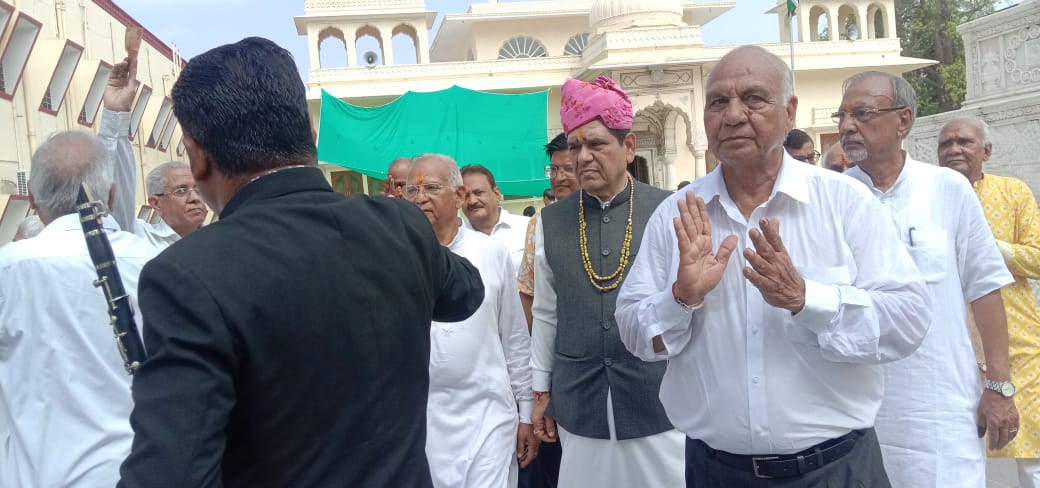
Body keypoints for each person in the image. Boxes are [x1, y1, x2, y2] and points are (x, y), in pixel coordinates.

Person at [117, 37, 485, 488]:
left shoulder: (187, 274)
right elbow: (467, 292)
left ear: (197, 156)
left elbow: (171, 471)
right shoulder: (398, 225)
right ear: (310, 134)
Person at [615, 46, 933, 487]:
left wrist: (807, 299)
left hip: (835, 469)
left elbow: (909, 320)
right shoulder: (679, 214)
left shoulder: (844, 201)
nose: (733, 115)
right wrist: (680, 298)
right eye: (718, 102)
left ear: (789, 112)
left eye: (753, 98)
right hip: (716, 472)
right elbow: (634, 334)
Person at [840, 71, 1017, 488]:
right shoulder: (833, 196)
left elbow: (985, 289)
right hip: (856, 411)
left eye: (862, 113)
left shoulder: (947, 189)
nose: (847, 126)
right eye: (842, 115)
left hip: (942, 409)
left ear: (903, 120)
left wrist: (999, 387)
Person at [529, 76, 683, 487]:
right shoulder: (550, 221)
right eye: (575, 146)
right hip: (580, 400)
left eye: (596, 144)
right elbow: (546, 313)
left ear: (628, 147)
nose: (583, 157)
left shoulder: (668, 208)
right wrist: (540, 392)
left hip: (657, 397)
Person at [0, 130, 158, 487]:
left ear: (32, 199)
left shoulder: (7, 270)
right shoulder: (159, 262)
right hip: (146, 468)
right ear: (112, 196)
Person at [404, 153, 536, 488]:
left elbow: (514, 337)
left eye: (432, 188)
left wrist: (526, 412)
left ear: (459, 195)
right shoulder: (395, 259)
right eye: (412, 190)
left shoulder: (490, 252)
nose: (420, 198)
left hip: (488, 416)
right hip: (423, 421)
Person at [937, 116, 1040, 487]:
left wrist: (988, 248)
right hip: (950, 343)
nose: (954, 150)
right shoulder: (928, 196)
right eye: (945, 144)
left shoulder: (1013, 192)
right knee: (958, 450)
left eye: (964, 142)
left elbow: (1038, 258)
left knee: (1032, 454)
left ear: (987, 151)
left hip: (1018, 345)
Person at [517, 134, 576, 488]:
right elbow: (529, 295)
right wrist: (540, 367)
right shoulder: (540, 223)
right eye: (554, 169)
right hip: (552, 365)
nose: (559, 177)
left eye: (568, 168)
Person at [100, 57, 205, 249]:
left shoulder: (221, 240)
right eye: (181, 190)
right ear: (156, 203)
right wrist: (116, 113)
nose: (194, 198)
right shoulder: (139, 239)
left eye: (198, 189)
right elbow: (116, 186)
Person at [461, 164, 530, 270]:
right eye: (465, 196)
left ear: (497, 194)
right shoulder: (457, 241)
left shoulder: (528, 228)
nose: (472, 201)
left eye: (478, 193)